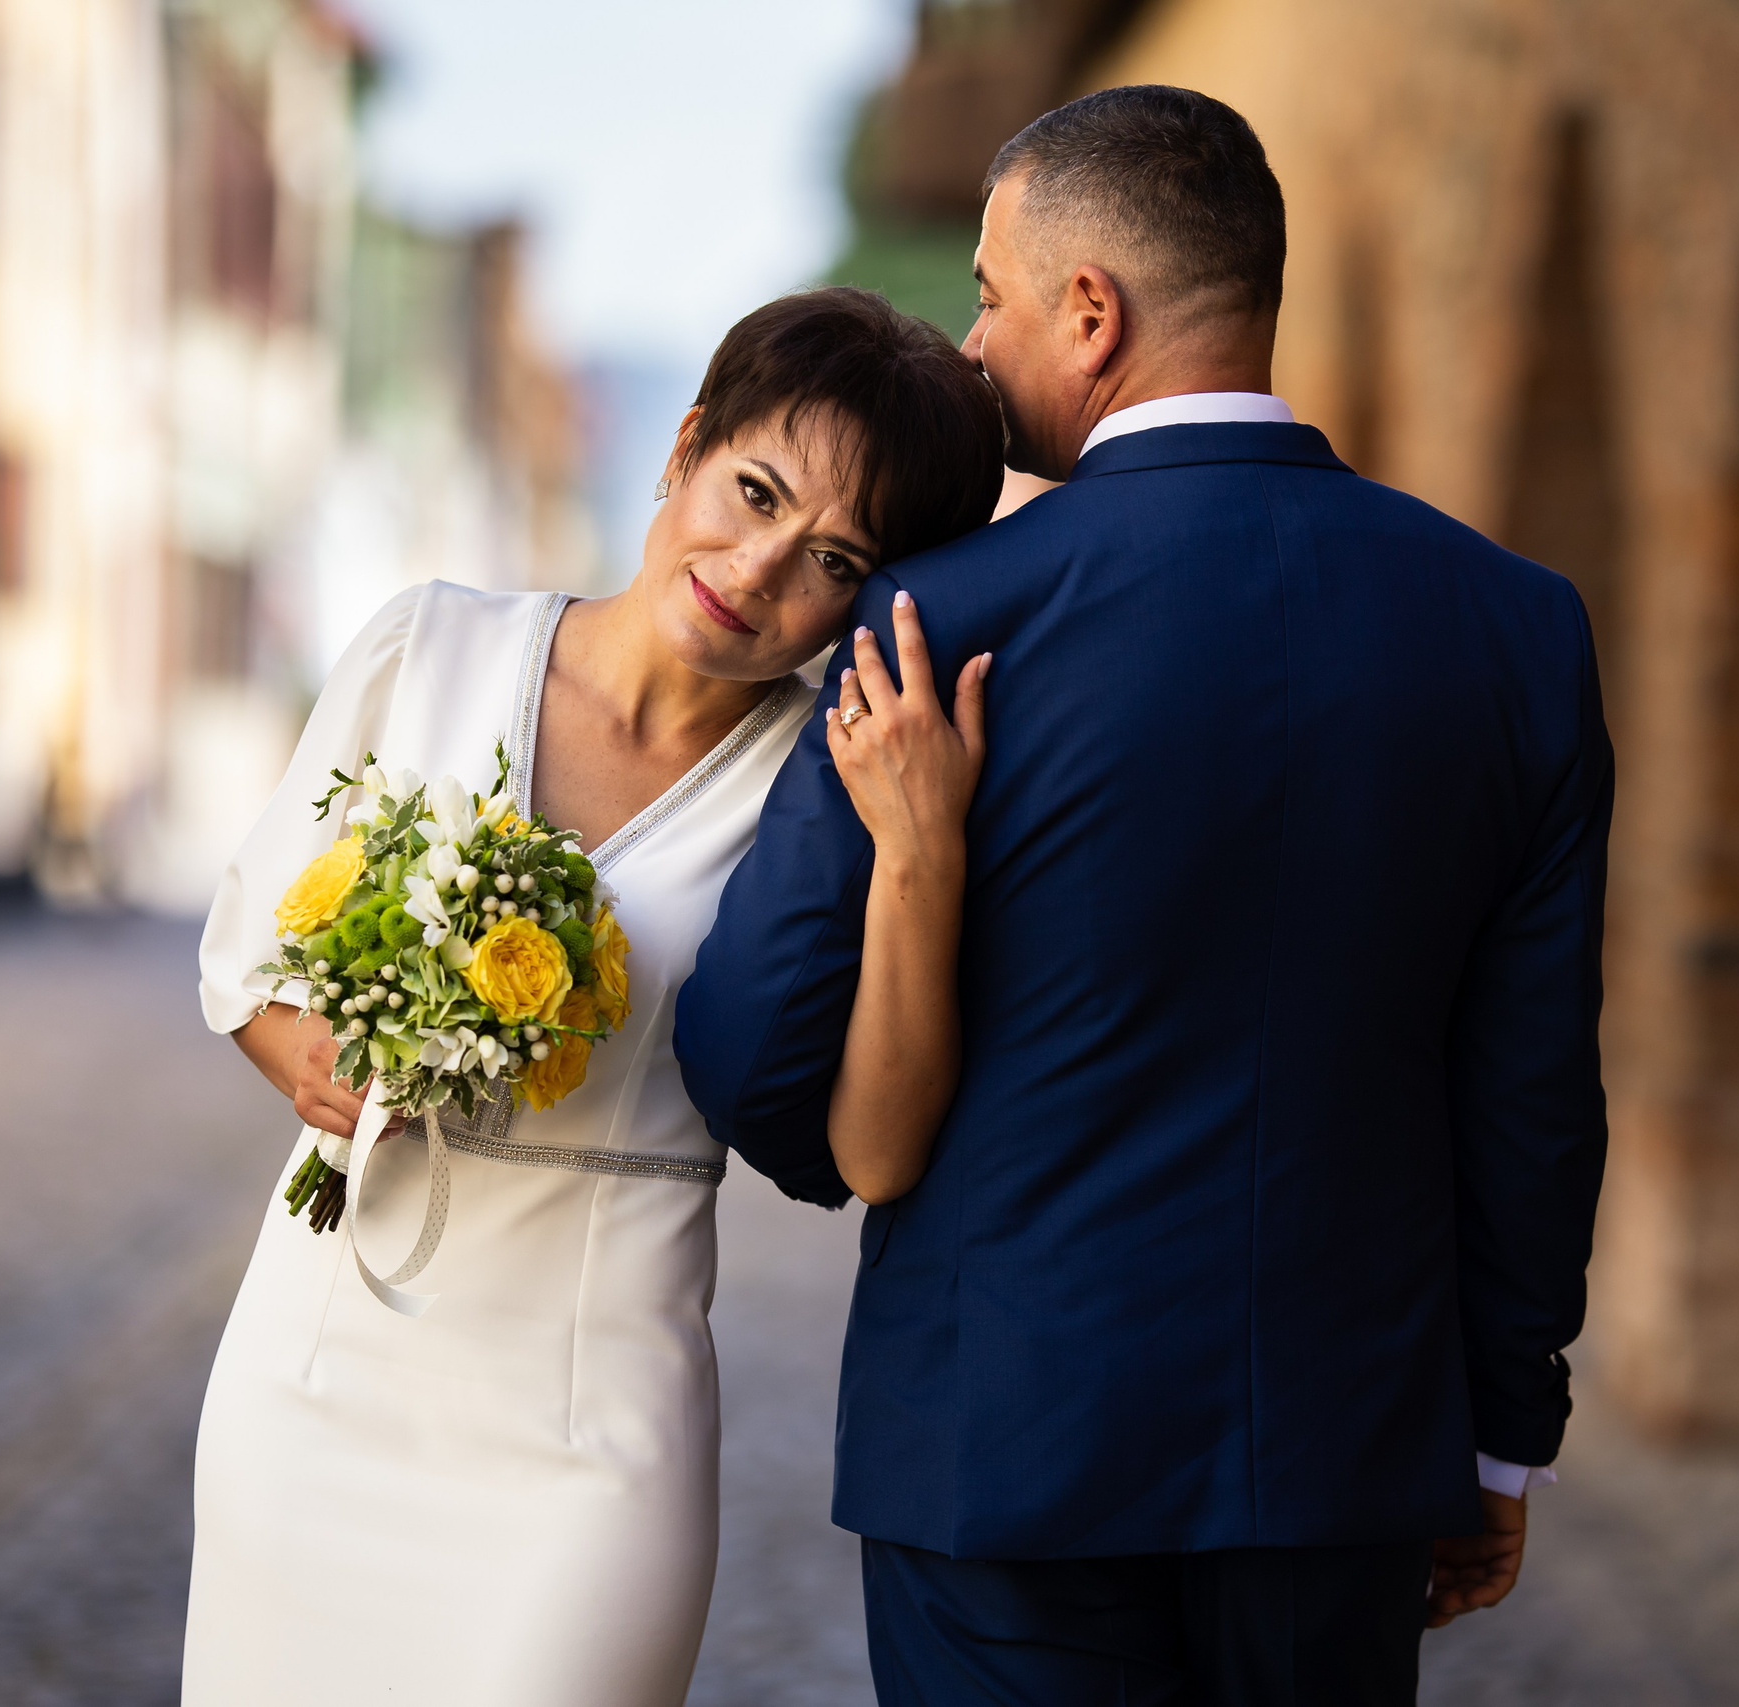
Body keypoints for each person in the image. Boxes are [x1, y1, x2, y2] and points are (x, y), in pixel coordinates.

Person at [679, 85, 1613, 1704]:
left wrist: (873, 1133)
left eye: (989, 292)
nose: (973, 342)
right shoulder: (1518, 628)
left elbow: (755, 1048)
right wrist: (1502, 1434)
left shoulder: (937, 620)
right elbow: (1532, 1088)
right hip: (1340, 1458)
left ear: (1090, 314)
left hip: (1001, 1451)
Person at [183, 289, 1003, 1707]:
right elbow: (245, 955)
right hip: (319, 1372)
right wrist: (309, 1056)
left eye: (832, 559)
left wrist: (924, 842)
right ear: (686, 446)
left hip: (589, 1440)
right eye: (752, 491)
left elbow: (876, 1150)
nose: (754, 570)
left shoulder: (826, 792)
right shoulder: (425, 642)